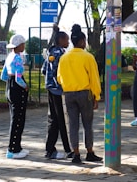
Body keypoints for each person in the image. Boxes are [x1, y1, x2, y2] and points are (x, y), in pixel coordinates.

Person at [56, 24, 102, 164]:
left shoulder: (64, 57)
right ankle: (89, 152)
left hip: (69, 93)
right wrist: (96, 96)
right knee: (87, 124)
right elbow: (94, 78)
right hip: (85, 93)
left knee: (73, 125)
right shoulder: (88, 57)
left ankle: (75, 153)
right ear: (82, 41)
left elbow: (59, 77)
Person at [41, 24, 72, 160]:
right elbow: (56, 72)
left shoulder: (50, 52)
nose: (68, 42)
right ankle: (68, 149)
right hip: (58, 90)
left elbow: (44, 70)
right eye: (67, 40)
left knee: (53, 119)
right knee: (62, 120)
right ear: (60, 40)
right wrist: (62, 85)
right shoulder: (60, 54)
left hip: (50, 88)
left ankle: (50, 149)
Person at [1, 34, 30, 159]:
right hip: (17, 88)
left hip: (9, 86)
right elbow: (18, 77)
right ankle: (13, 149)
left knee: (14, 118)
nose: (24, 46)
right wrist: (25, 86)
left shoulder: (9, 57)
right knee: (19, 120)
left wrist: (10, 84)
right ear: (19, 45)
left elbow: (3, 76)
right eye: (23, 44)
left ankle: (15, 146)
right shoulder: (18, 58)